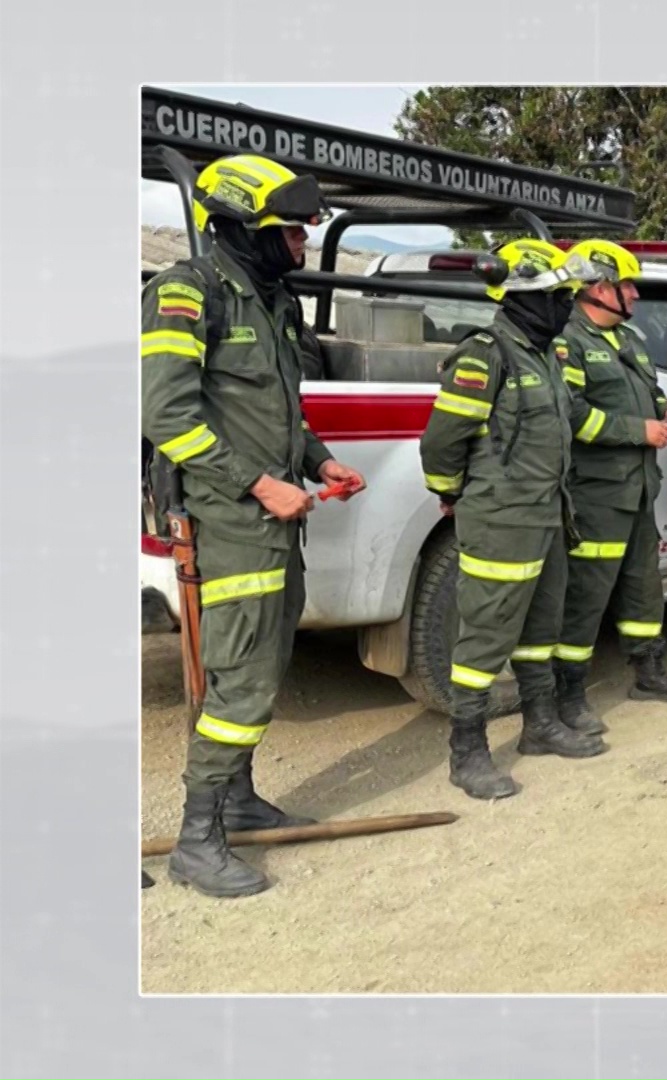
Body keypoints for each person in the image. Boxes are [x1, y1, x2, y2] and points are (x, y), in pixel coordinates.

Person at [142, 153, 366, 897]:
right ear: (245, 227)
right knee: (240, 681)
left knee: (264, 666)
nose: (302, 243)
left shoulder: (271, 301)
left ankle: (237, 800)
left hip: (272, 520)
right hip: (229, 520)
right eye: (292, 232)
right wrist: (259, 484)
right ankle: (197, 840)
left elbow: (279, 413)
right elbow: (167, 416)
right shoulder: (187, 293)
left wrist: (319, 462)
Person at [419, 239, 613, 800]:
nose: (566, 307)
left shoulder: (545, 356)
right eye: (557, 297)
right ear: (526, 298)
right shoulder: (486, 354)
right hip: (501, 520)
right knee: (484, 635)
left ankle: (540, 724)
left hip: (548, 515)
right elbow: (441, 443)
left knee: (540, 628)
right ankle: (468, 750)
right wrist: (453, 493)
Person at [551, 240, 667, 726]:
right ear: (599, 289)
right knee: (586, 596)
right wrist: (637, 431)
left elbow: (652, 394)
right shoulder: (567, 341)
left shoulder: (630, 341)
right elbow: (570, 415)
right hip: (596, 495)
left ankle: (649, 671)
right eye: (628, 285)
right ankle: (569, 695)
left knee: (644, 586)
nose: (635, 295)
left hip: (639, 490)